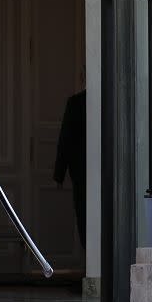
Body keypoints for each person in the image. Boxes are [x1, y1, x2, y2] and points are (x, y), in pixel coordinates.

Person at [54, 89, 87, 249]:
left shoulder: (75, 102)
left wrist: (59, 175)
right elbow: (65, 140)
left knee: (83, 216)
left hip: (80, 172)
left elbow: (65, 140)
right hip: (82, 172)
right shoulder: (76, 102)